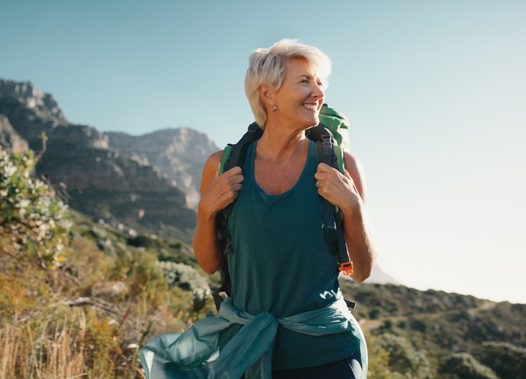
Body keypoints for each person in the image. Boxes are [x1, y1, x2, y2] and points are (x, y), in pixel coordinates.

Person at [140, 39, 375, 379]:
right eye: (305, 81)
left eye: (320, 83)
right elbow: (209, 263)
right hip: (245, 352)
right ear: (268, 94)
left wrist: (352, 207)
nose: (318, 93)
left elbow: (364, 270)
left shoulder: (342, 166)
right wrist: (206, 211)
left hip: (326, 351)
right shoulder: (222, 166)